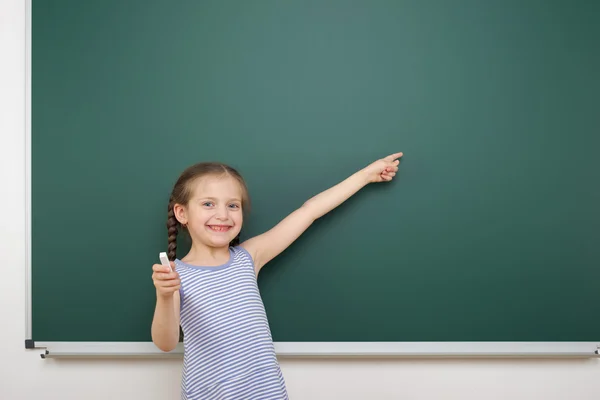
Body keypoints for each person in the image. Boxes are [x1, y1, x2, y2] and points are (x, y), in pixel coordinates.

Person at [151, 152, 403, 400]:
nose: (223, 215)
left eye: (232, 205)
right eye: (208, 203)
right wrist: (164, 295)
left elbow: (310, 211)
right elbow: (166, 342)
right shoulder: (174, 275)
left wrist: (365, 176)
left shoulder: (248, 257)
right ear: (182, 213)